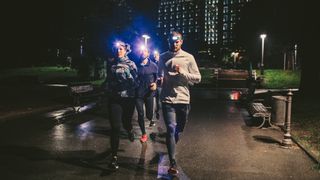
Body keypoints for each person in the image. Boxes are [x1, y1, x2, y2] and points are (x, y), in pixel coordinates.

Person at [158, 31, 201, 175]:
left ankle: (173, 142)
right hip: (167, 99)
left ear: (181, 42)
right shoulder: (163, 57)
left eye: (177, 41)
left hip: (183, 99)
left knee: (179, 129)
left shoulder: (188, 57)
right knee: (170, 128)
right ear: (168, 41)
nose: (174, 44)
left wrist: (183, 72)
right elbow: (160, 75)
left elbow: (198, 78)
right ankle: (173, 162)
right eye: (172, 41)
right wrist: (159, 81)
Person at [105, 41, 138, 170]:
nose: (118, 51)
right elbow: (108, 80)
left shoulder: (131, 64)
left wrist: (129, 76)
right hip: (114, 98)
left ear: (126, 51)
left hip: (128, 99)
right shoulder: (111, 63)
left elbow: (136, 83)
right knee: (115, 127)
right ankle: (114, 158)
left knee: (126, 122)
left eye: (121, 49)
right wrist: (106, 87)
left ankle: (129, 130)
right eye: (117, 49)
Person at [135, 46, 158, 143]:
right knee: (140, 114)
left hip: (149, 94)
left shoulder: (153, 65)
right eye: (141, 51)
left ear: (148, 54)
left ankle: (150, 119)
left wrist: (155, 83)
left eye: (144, 51)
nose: (142, 52)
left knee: (149, 115)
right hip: (138, 94)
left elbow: (157, 78)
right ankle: (143, 134)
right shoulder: (135, 65)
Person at [152, 50, 162, 120]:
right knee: (153, 100)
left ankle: (157, 111)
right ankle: (152, 114)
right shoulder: (153, 63)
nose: (155, 56)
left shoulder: (161, 63)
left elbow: (162, 73)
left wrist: (161, 78)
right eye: (154, 55)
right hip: (154, 83)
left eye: (156, 55)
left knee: (158, 100)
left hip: (159, 85)